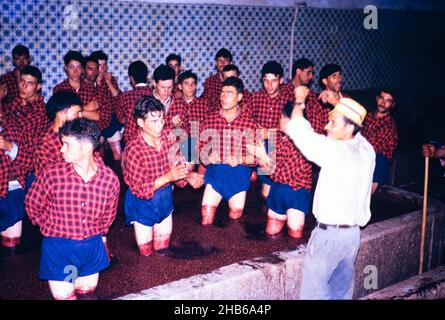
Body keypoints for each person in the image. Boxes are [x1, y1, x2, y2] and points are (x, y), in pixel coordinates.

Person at [282, 86, 375, 300]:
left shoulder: (336, 152)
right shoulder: (366, 150)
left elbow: (299, 130)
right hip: (352, 236)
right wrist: (337, 103)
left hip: (329, 237)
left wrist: (299, 100)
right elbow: (356, 125)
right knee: (341, 294)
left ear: (350, 128)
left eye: (333, 122)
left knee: (314, 295)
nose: (326, 126)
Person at [25, 118, 120, 300]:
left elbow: (108, 216)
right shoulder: (52, 174)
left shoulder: (109, 179)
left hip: (91, 246)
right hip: (59, 248)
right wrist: (50, 227)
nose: (61, 149)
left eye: (67, 144)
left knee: (87, 294)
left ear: (85, 148)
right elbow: (32, 205)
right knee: (66, 297)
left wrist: (101, 236)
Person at [123, 96, 201, 256]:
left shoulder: (168, 137)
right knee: (146, 253)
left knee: (163, 249)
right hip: (142, 204)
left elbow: (176, 167)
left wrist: (187, 175)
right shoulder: (133, 149)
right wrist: (169, 177)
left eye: (162, 119)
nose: (160, 125)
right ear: (140, 123)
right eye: (153, 121)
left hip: (164, 198)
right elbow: (140, 189)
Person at [0, 65, 48, 253]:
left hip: (28, 171)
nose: (24, 87)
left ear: (38, 87)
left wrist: (10, 146)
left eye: (30, 84)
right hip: (8, 171)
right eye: (22, 81)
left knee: (18, 234)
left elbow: (27, 150)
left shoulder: (40, 113)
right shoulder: (11, 105)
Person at [199, 77, 258, 225]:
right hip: (215, 175)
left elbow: (257, 157)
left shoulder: (249, 123)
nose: (224, 97)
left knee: (235, 218)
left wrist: (241, 159)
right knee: (206, 218)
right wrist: (206, 156)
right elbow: (199, 148)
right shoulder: (210, 119)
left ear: (239, 97)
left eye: (229, 93)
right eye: (222, 93)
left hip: (238, 176)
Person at [248, 61, 290, 198]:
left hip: (279, 147)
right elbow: (246, 122)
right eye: (266, 81)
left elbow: (294, 128)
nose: (269, 85)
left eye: (274, 81)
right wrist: (257, 130)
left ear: (281, 81)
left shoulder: (288, 101)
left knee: (269, 194)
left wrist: (271, 131)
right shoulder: (255, 98)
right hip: (258, 144)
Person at [34, 91, 82, 177]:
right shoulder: (44, 146)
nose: (81, 116)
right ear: (61, 116)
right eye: (77, 113)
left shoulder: (79, 135)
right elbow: (50, 180)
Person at [361, 88, 399, 194]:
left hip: (377, 164)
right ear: (377, 99)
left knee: (365, 197)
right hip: (364, 157)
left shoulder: (390, 126)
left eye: (388, 101)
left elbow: (372, 147)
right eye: (381, 98)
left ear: (392, 105)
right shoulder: (368, 116)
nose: (383, 103)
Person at [90, 50, 123, 161]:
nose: (102, 68)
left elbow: (118, 97)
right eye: (99, 65)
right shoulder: (89, 81)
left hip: (110, 119)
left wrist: (108, 82)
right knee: (98, 154)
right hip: (95, 121)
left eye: (105, 65)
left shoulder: (110, 79)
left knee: (118, 154)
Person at [115, 60, 153, 144]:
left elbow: (120, 118)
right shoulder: (153, 95)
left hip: (130, 140)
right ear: (146, 76)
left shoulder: (125, 96)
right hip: (150, 139)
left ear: (131, 78)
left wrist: (130, 120)